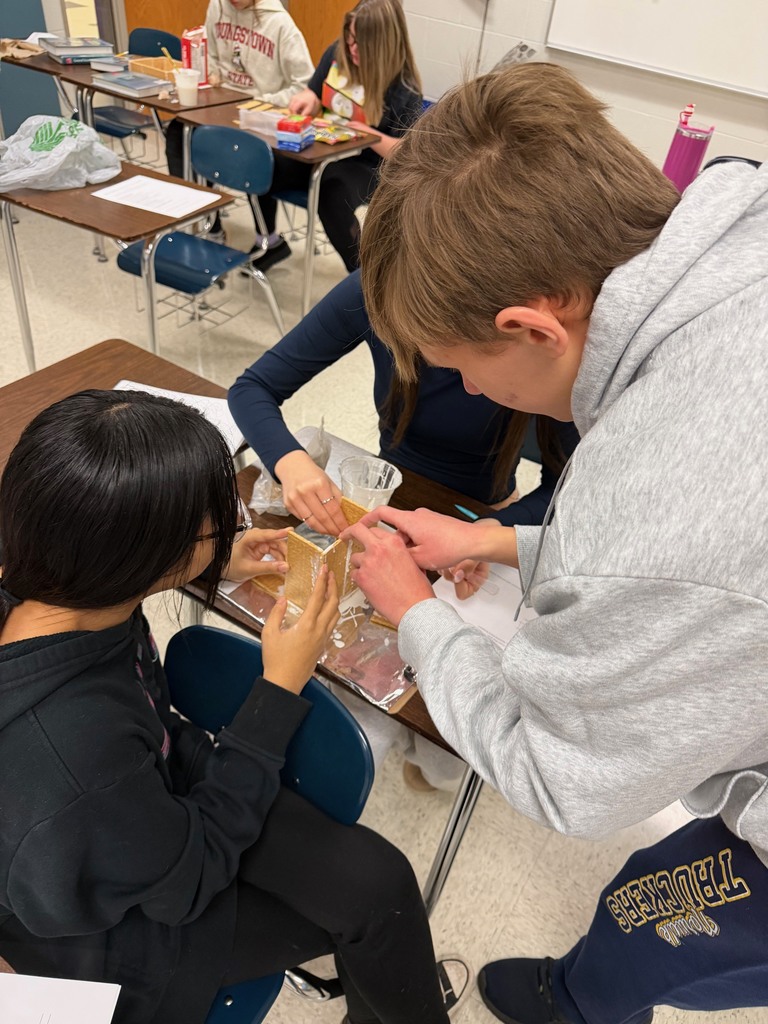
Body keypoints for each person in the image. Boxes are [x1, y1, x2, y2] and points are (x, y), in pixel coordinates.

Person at [339, 63, 768, 1024]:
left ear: (532, 325)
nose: (479, 398)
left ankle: (571, 1008)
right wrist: (498, 539)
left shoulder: (658, 513)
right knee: (650, 888)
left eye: (468, 373)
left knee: (654, 918)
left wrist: (413, 617)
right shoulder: (736, 238)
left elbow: (556, 776)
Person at [0, 390, 467, 1024]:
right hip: (116, 932)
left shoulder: (46, 580)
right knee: (374, 917)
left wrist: (207, 567)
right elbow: (187, 881)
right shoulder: (76, 755)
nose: (227, 536)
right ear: (134, 559)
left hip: (137, 800)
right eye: (214, 530)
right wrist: (278, 689)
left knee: (378, 882)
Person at [228, 268, 579, 791]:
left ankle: (431, 764)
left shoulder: (538, 343)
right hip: (391, 499)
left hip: (473, 516)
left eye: (470, 368)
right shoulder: (379, 289)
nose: (468, 384)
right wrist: (290, 461)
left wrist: (489, 531)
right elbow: (254, 387)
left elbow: (565, 492)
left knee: (452, 698)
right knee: (355, 652)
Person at [251, 0, 423, 273]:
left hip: (365, 166)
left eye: (362, 45)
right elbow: (314, 92)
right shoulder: (337, 52)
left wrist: (367, 133)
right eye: (350, 39)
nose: (352, 49)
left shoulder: (403, 85)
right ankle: (269, 240)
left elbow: (405, 153)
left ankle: (363, 279)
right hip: (320, 149)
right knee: (259, 161)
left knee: (332, 189)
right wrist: (306, 99)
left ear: (383, 45)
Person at [165, 0, 313, 238]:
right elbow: (211, 54)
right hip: (221, 104)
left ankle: (268, 238)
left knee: (242, 149)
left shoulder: (280, 23)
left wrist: (262, 101)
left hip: (260, 112)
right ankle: (207, 224)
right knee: (178, 133)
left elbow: (305, 86)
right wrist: (212, 75)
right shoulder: (218, 6)